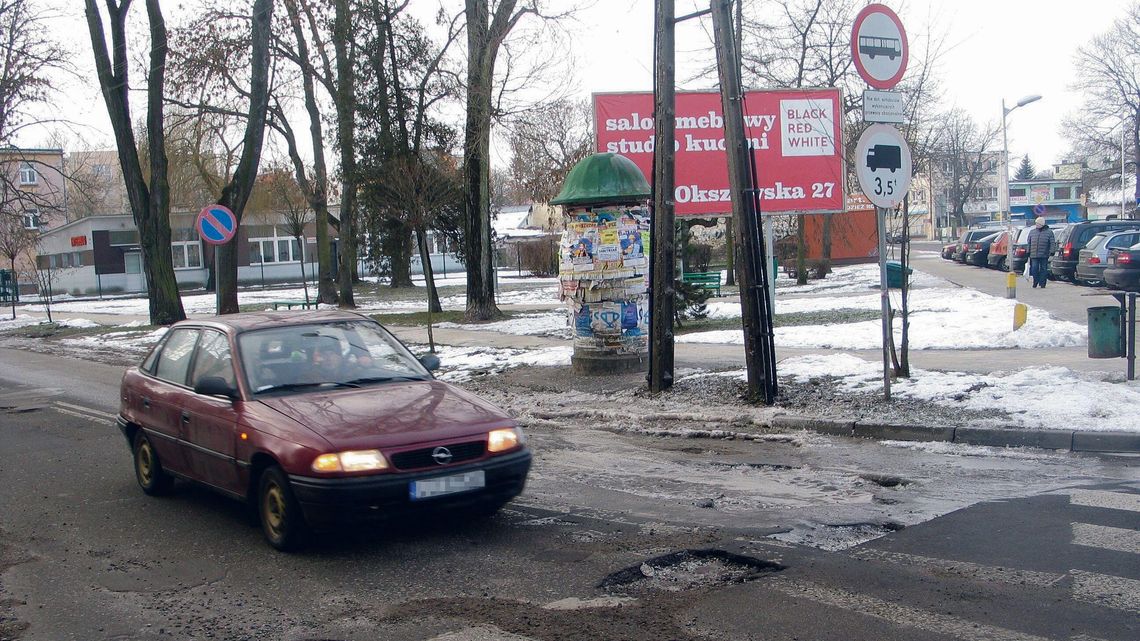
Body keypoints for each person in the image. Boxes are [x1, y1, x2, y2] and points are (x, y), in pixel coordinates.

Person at [1026, 216, 1058, 289]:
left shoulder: (1049, 232)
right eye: (1036, 223)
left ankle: (1042, 283)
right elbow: (1029, 243)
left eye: (1038, 223)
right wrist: (1028, 251)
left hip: (1044, 254)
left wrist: (1052, 251)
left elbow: (1052, 243)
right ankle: (1035, 281)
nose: (1036, 225)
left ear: (1042, 224)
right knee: (1034, 268)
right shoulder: (1032, 232)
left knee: (1043, 269)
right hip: (1034, 254)